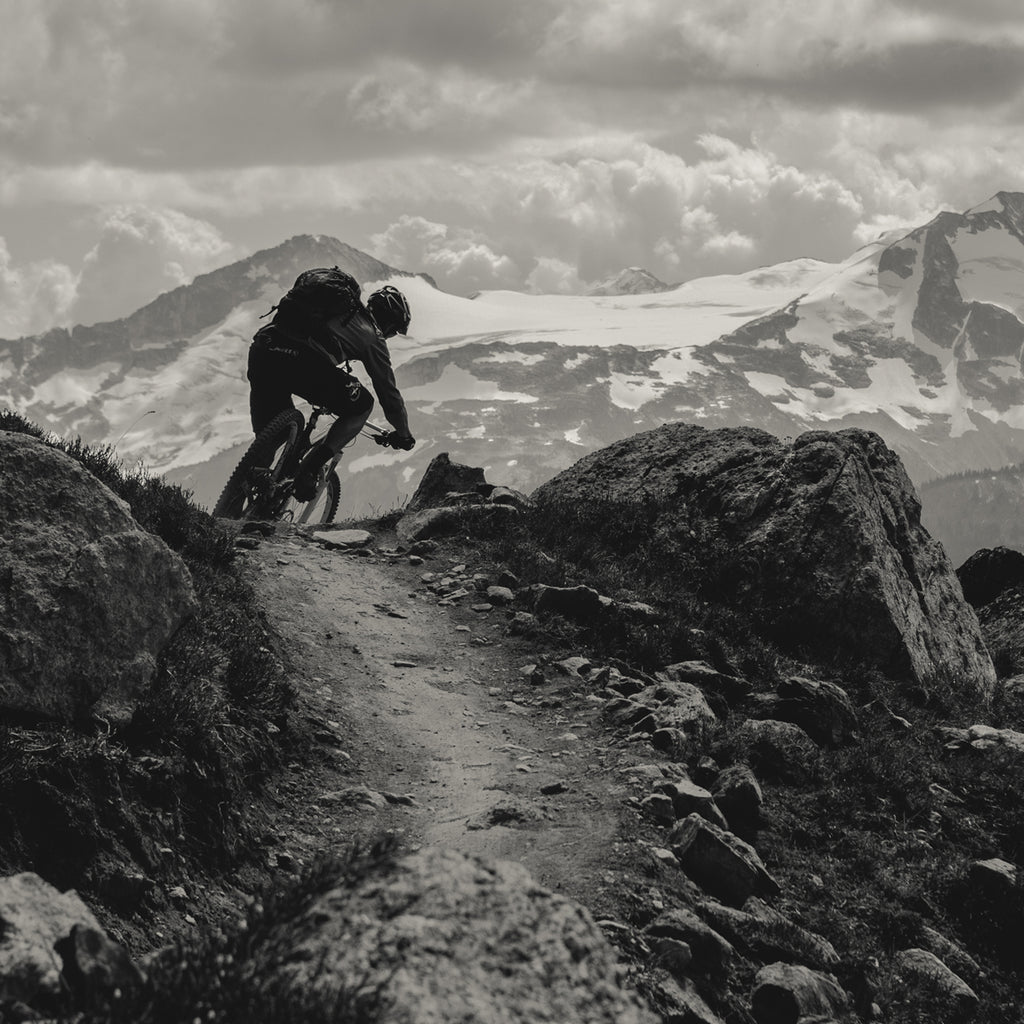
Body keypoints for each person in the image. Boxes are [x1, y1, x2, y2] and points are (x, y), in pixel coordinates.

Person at [246, 283, 416, 500]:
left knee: (272, 436)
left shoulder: (335, 312)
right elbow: (389, 395)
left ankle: (241, 497)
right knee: (362, 405)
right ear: (389, 324)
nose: (390, 337)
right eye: (393, 332)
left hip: (264, 348)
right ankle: (310, 468)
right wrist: (404, 435)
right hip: (300, 361)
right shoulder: (372, 336)